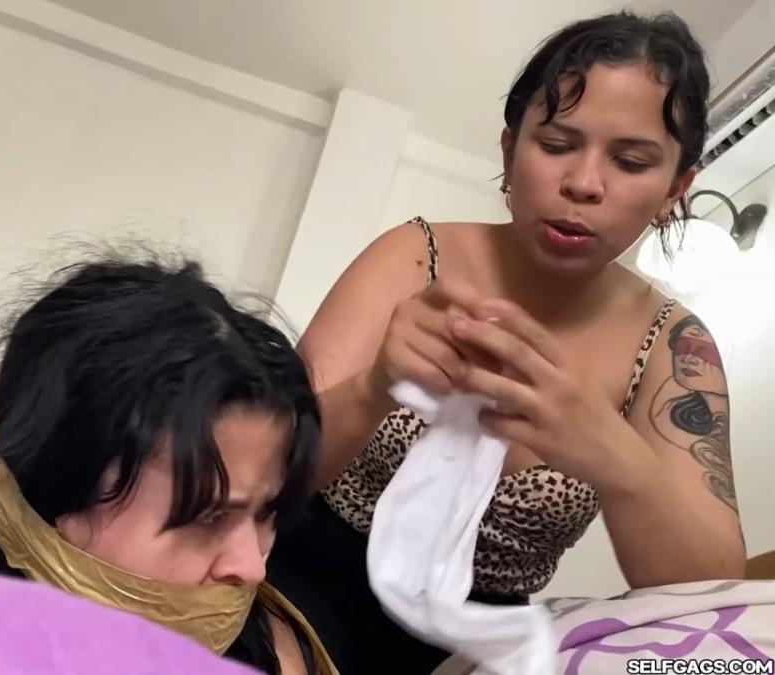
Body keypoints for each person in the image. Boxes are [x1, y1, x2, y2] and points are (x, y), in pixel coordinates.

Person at [265, 10, 746, 674]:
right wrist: (376, 387)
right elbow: (265, 467)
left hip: (480, 647)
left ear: (676, 188)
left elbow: (710, 596)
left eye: (631, 161)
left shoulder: (672, 346)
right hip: (297, 585)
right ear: (508, 152)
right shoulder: (415, 256)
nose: (584, 183)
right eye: (556, 144)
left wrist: (611, 450)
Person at [0, 254, 338, 675]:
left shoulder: (267, 653)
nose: (252, 567)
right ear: (59, 492)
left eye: (268, 513)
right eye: (208, 517)